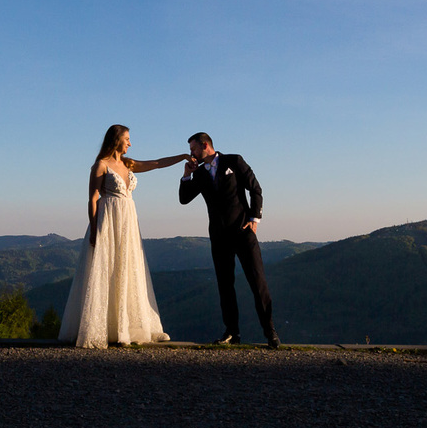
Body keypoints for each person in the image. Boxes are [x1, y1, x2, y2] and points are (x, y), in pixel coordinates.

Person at [59, 124, 190, 348]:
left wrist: (183, 157)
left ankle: (127, 327)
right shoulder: (101, 165)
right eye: (127, 139)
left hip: (128, 221)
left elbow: (157, 164)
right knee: (107, 268)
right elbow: (92, 198)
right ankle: (104, 327)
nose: (130, 143)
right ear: (116, 140)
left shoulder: (127, 164)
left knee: (127, 268)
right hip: (108, 221)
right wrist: (93, 229)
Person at [179, 132, 279, 347]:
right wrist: (187, 175)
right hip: (218, 236)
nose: (191, 154)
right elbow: (184, 199)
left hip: (244, 232)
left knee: (257, 282)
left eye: (193, 149)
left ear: (205, 145)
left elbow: (256, 189)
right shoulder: (200, 173)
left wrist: (255, 218)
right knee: (225, 285)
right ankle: (232, 333)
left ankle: (270, 332)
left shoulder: (234, 161)